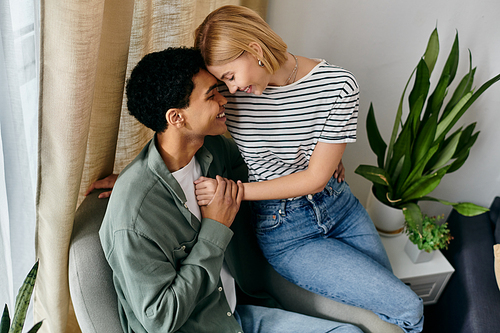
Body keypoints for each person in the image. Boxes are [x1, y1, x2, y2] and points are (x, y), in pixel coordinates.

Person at [97, 47, 364, 333]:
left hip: (238, 311)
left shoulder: (213, 150)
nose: (226, 99)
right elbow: (160, 319)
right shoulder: (135, 217)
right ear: (176, 118)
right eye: (212, 95)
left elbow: (264, 173)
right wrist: (215, 226)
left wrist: (323, 159)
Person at [192, 5, 424, 333]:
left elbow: (316, 178)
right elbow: (183, 127)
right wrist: (148, 171)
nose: (229, 89)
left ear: (254, 50)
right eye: (222, 81)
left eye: (230, 76)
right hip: (286, 231)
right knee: (408, 305)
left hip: (340, 206)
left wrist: (237, 191)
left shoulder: (339, 86)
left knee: (392, 306)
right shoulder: (233, 99)